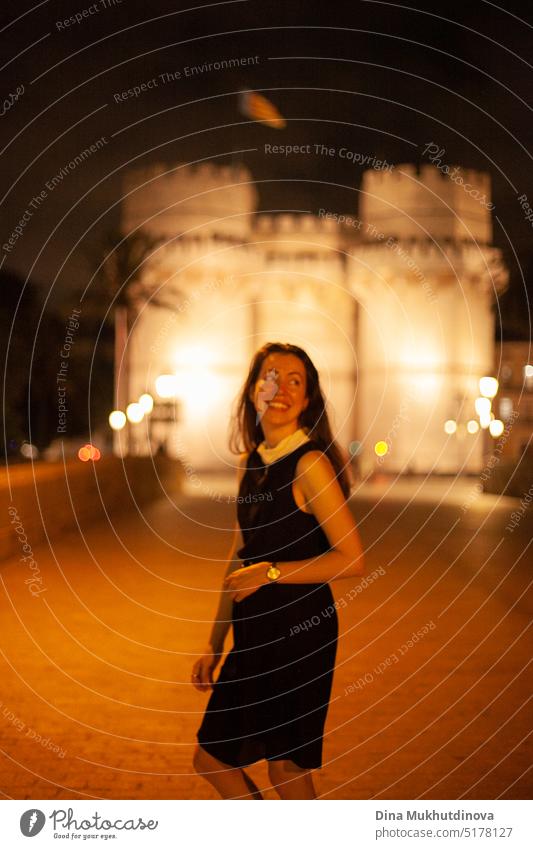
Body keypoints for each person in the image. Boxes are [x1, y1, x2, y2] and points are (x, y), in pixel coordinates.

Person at [192, 342, 365, 799]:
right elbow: (239, 557)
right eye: (270, 377)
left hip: (300, 630)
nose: (281, 389)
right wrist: (214, 641)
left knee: (286, 767)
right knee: (210, 758)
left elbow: (352, 558)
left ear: (307, 400)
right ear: (253, 390)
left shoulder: (310, 465)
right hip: (253, 632)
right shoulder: (252, 463)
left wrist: (270, 574)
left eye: (295, 382)